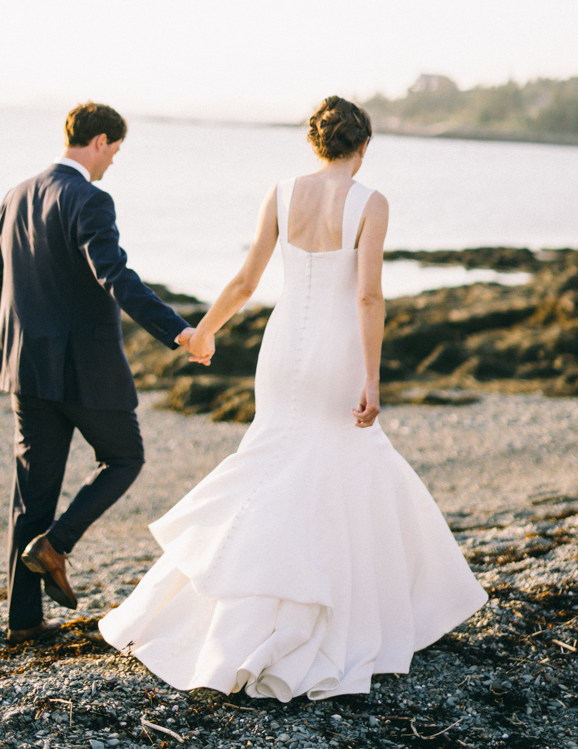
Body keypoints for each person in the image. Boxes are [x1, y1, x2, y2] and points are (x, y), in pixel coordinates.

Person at [99, 96, 486, 701]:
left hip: (282, 350)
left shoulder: (280, 192)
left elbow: (247, 281)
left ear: (315, 144)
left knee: (276, 463)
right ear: (362, 147)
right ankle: (366, 610)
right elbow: (367, 297)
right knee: (338, 465)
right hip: (337, 349)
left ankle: (227, 608)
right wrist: (373, 379)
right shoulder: (371, 201)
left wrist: (205, 331)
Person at [0, 101, 207, 645]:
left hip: (26, 367)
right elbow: (114, 275)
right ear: (101, 141)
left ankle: (23, 622)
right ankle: (55, 545)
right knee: (124, 456)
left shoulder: (15, 195)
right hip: (83, 369)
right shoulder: (89, 197)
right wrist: (179, 331)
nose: (112, 162)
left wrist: (4, 344)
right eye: (115, 151)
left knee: (31, 494)